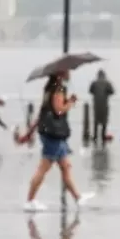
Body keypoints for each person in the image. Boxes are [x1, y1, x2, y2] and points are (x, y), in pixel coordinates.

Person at [18, 72, 93, 212]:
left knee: (65, 167)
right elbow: (59, 110)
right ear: (60, 74)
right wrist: (70, 102)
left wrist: (29, 133)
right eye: (67, 71)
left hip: (51, 134)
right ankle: (30, 200)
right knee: (43, 169)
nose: (69, 73)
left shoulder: (49, 89)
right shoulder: (58, 89)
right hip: (53, 135)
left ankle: (78, 198)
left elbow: (43, 112)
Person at [88, 70, 115, 144]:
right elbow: (112, 92)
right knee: (104, 121)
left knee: (96, 121)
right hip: (104, 105)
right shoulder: (107, 83)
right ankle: (103, 136)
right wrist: (107, 92)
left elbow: (90, 91)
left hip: (96, 105)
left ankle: (95, 136)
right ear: (104, 75)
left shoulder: (94, 83)